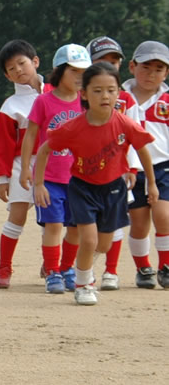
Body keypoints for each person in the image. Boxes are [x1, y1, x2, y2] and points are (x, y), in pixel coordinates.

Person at [33, 62, 157, 305]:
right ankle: (83, 284)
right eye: (97, 90)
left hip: (114, 189)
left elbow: (143, 150)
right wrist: (39, 183)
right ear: (85, 94)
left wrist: (151, 184)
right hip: (82, 187)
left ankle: (84, 270)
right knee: (87, 239)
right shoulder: (73, 127)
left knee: (103, 243)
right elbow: (45, 149)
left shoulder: (124, 123)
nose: (105, 96)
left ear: (118, 93)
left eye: (111, 90)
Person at [20, 44, 91, 294]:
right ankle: (52, 272)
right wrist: (26, 170)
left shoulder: (87, 104)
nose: (81, 77)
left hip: (79, 179)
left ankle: (67, 268)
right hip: (49, 177)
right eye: (75, 71)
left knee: (75, 228)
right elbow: (30, 136)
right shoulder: (44, 101)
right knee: (53, 226)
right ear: (59, 72)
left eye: (85, 71)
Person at [0, 40, 44, 289]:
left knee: (53, 218)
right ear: (6, 75)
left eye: (22, 63)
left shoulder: (57, 94)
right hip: (20, 165)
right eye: (11, 68)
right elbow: (3, 144)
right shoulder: (11, 106)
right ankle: (4, 267)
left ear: (35, 62)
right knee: (18, 216)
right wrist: (3, 179)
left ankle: (53, 265)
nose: (18, 70)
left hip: (55, 163)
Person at [86, 36, 137, 290]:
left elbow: (137, 137)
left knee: (115, 220)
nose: (109, 65)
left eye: (114, 61)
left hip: (118, 169)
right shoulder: (82, 97)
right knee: (87, 224)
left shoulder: (127, 100)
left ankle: (111, 271)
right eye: (102, 61)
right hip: (88, 171)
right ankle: (84, 270)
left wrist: (133, 167)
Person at [123, 41, 169, 289]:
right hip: (131, 170)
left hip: (164, 167)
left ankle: (166, 266)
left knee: (164, 216)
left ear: (166, 73)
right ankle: (144, 268)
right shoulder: (119, 97)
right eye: (145, 67)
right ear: (132, 66)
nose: (151, 74)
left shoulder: (167, 101)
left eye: (158, 69)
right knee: (139, 224)